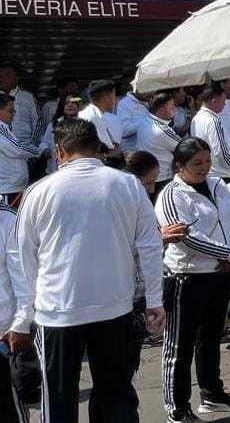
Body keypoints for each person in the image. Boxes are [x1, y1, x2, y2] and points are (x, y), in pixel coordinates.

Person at [15, 118, 165, 423]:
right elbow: (150, 246)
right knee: (116, 394)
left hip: (57, 311)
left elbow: (23, 258)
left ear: (60, 151)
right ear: (98, 148)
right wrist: (154, 300)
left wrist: (24, 315)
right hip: (115, 307)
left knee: (58, 400)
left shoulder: (38, 192)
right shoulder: (128, 185)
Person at [155, 138, 230, 421]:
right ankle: (177, 408)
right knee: (178, 345)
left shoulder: (218, 185)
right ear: (179, 165)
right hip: (187, 276)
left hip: (219, 274)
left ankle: (212, 393)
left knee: (210, 338)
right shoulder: (171, 195)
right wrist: (227, 253)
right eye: (197, 163)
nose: (204, 168)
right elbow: (185, 237)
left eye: (207, 161)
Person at [0, 184, 31, 423]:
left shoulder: (7, 221)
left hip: (2, 332)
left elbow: (22, 277)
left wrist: (21, 322)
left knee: (9, 407)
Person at [136, 93, 182, 192]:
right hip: (163, 180)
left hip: (147, 177)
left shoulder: (144, 121)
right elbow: (185, 147)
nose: (175, 109)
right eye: (172, 107)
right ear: (161, 110)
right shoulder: (162, 130)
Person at [0, 94, 39, 207]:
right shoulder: (1, 129)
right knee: (10, 223)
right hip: (7, 188)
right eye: (10, 111)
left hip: (10, 187)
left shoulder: (5, 128)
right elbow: (17, 148)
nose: (14, 114)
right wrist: (38, 151)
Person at [190, 87, 230, 181]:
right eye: (223, 102)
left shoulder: (196, 118)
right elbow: (220, 151)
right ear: (214, 101)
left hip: (207, 175)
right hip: (221, 175)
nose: (224, 105)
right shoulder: (213, 120)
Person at [38, 95, 82, 176]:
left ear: (79, 106)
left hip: (77, 171)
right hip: (54, 171)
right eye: (66, 103)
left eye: (73, 103)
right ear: (62, 106)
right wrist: (47, 151)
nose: (70, 105)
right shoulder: (53, 125)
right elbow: (44, 143)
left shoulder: (85, 125)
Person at [78, 79, 124, 153]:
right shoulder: (91, 117)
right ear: (106, 97)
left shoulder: (97, 114)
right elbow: (104, 149)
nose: (115, 99)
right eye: (114, 95)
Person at [0, 65, 38, 151]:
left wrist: (33, 147)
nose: (2, 79)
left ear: (17, 78)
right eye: (1, 76)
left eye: (7, 75)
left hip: (24, 150)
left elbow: (38, 123)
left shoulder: (28, 97)